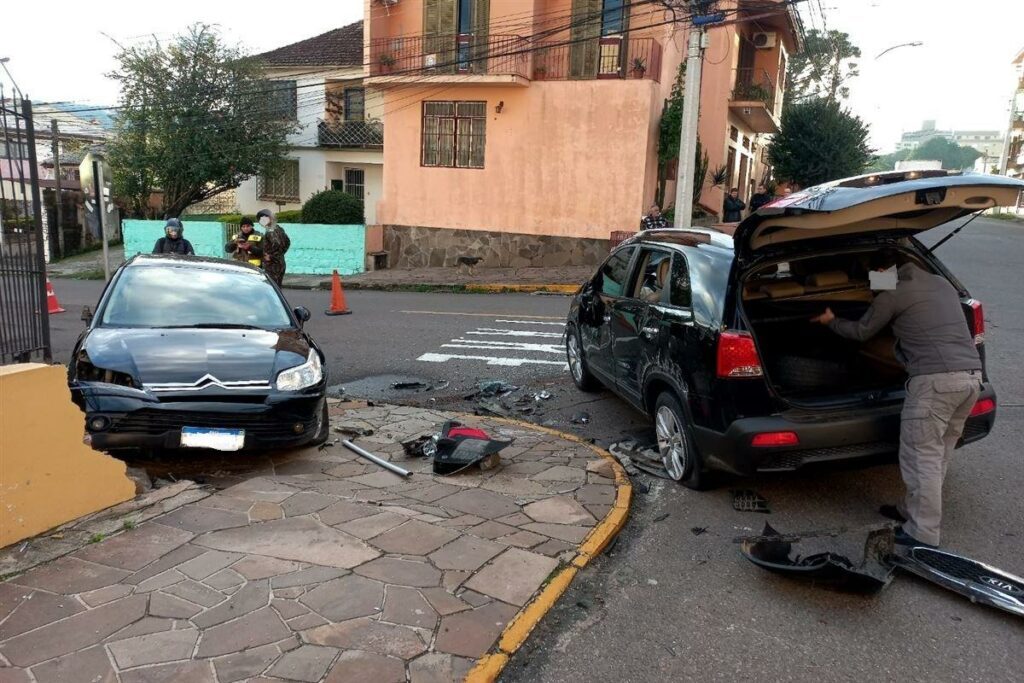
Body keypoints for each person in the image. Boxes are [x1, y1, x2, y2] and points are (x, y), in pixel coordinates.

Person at [811, 248, 982, 549]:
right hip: (971, 379)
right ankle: (910, 510)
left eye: (873, 275)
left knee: (920, 457)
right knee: (939, 454)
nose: (872, 282)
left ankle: (922, 533)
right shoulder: (941, 283)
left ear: (883, 272)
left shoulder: (892, 293)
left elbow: (861, 331)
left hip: (934, 384)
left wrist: (831, 320)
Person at [257, 209, 290, 286]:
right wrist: (280, 254)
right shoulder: (279, 228)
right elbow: (287, 242)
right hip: (280, 262)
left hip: (272, 265)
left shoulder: (270, 231)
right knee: (277, 287)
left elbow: (276, 243)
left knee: (272, 287)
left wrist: (271, 257)